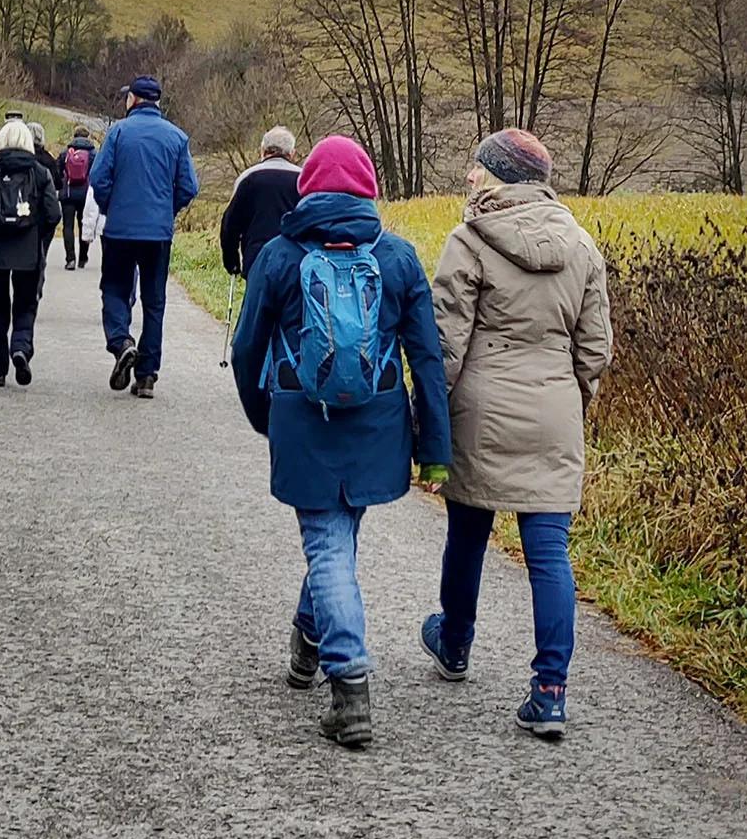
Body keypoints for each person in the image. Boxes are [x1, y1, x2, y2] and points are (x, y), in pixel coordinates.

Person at [231, 134, 451, 749]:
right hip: (379, 423)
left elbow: (247, 348)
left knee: (328, 545)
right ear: (368, 190)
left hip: (303, 418)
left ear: (308, 189)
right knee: (337, 536)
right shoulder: (400, 258)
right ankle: (307, 640)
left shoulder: (278, 256)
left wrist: (263, 416)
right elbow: (427, 359)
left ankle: (349, 686)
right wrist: (433, 447)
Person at [420, 129, 612, 741]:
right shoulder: (581, 245)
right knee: (549, 552)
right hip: (555, 408)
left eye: (478, 167)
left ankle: (454, 644)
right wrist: (571, 398)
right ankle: (550, 691)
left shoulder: (468, 239)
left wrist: (431, 414)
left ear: (500, 175)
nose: (470, 176)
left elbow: (446, 343)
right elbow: (595, 349)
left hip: (482, 409)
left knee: (469, 531)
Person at [90, 76, 199, 399]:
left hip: (121, 229)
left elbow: (99, 178)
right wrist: (168, 210)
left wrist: (111, 205)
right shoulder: (177, 138)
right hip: (158, 232)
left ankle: (122, 341)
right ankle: (147, 374)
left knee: (114, 288)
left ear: (133, 100)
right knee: (154, 301)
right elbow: (189, 187)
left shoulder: (119, 132)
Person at [0, 120, 60, 387]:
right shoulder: (40, 172)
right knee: (25, 303)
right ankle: (20, 347)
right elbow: (53, 213)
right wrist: (38, 235)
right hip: (28, 251)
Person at [219, 126, 302, 281]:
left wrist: (232, 261)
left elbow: (230, 225)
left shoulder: (248, 178)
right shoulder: (303, 180)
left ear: (263, 151)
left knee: (257, 304)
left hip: (256, 259)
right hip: (295, 261)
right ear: (292, 154)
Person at [57, 123, 98, 270]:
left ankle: (70, 259)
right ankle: (83, 258)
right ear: (88, 137)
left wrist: (60, 186)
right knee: (83, 225)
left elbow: (57, 172)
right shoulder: (94, 154)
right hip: (86, 195)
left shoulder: (66, 153)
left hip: (68, 194)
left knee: (68, 226)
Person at [29, 121, 61, 297]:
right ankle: (37, 285)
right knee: (42, 253)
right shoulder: (49, 160)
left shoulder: (24, 158)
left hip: (25, 212)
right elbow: (57, 183)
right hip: (45, 212)